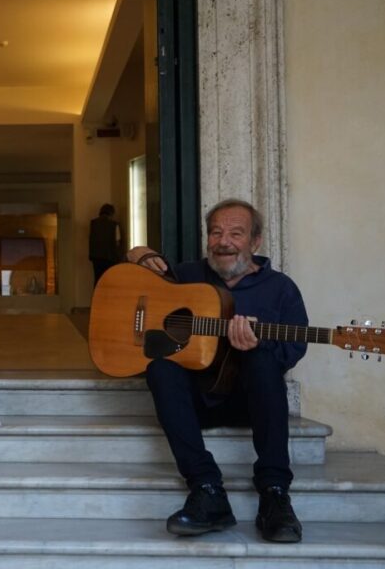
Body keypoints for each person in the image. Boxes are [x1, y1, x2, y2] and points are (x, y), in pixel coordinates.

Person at [126, 198, 306, 543]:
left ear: (255, 242)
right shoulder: (187, 276)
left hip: (249, 402)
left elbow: (293, 350)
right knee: (160, 367)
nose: (224, 241)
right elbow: (134, 259)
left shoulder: (281, 288)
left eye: (236, 233)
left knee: (263, 360)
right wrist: (142, 255)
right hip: (195, 402)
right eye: (216, 232)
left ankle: (275, 494)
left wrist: (258, 345)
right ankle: (207, 490)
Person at [89, 203, 122, 286]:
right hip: (110, 257)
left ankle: (96, 298)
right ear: (111, 213)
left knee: (98, 280)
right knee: (109, 282)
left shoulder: (93, 223)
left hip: (96, 257)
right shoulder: (114, 225)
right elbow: (117, 242)